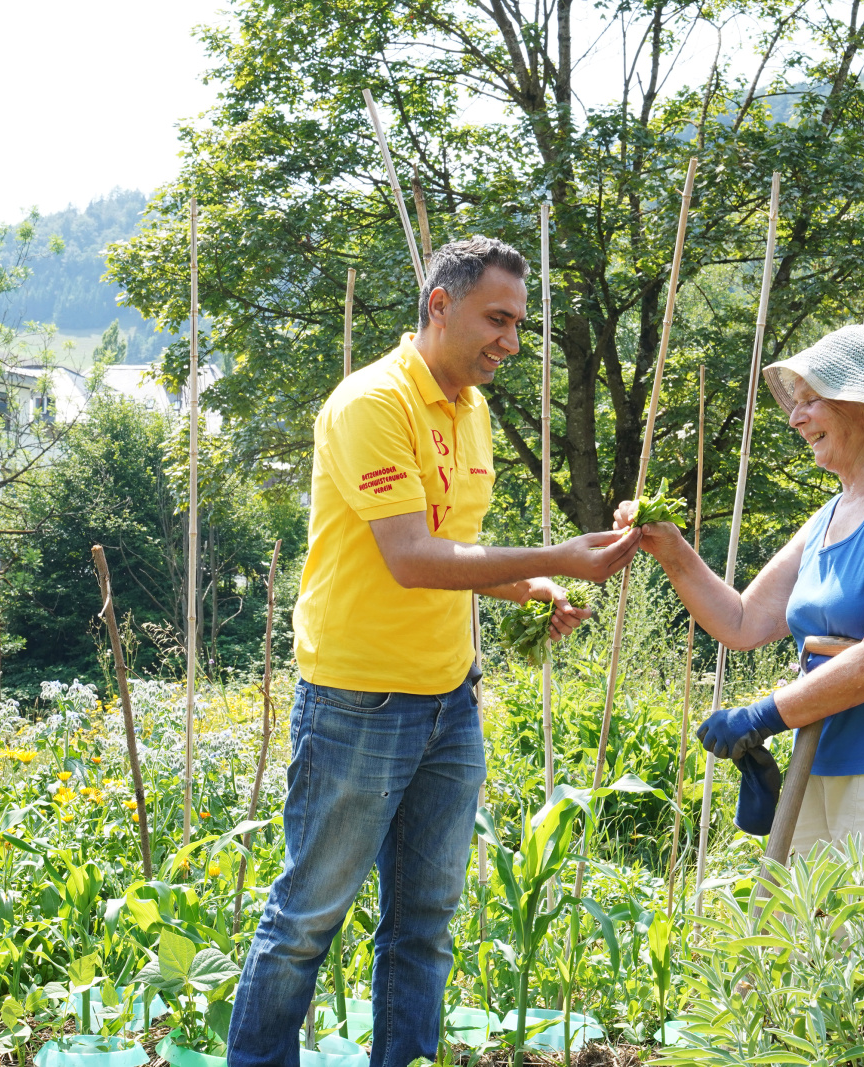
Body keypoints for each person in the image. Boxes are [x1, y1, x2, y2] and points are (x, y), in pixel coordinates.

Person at [228, 236, 637, 1067]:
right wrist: (558, 556)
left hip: (450, 700)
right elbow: (410, 558)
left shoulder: (472, 409)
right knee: (307, 918)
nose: (512, 342)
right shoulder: (372, 403)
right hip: (357, 702)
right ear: (440, 304)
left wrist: (530, 590)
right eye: (497, 319)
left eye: (519, 324)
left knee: (424, 923)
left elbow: (457, 548)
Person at [617, 322, 864, 869]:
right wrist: (672, 550)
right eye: (796, 402)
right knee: (810, 944)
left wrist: (763, 716)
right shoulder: (830, 515)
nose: (795, 417)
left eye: (812, 399)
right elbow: (742, 622)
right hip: (823, 760)